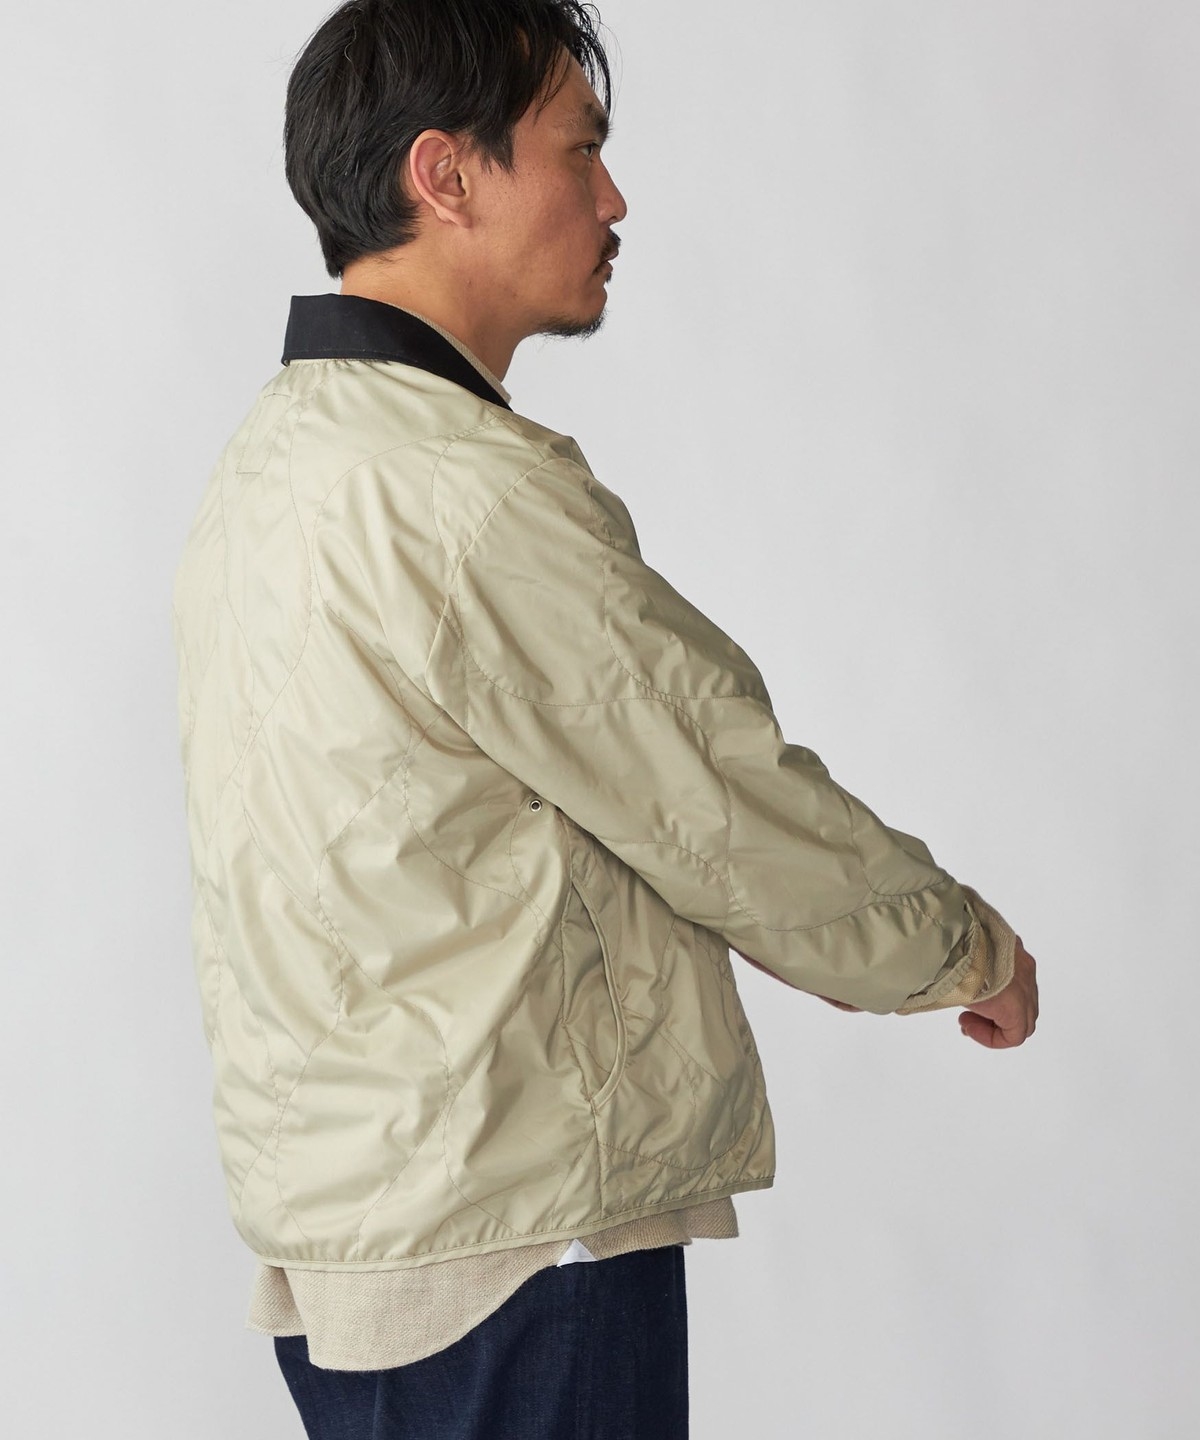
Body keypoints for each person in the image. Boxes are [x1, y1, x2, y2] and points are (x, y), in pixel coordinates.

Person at [170, 1, 1039, 1436]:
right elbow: (709, 790)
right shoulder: (457, 495)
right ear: (447, 174)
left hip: (354, 1246)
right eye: (581, 150)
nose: (615, 197)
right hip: (516, 1246)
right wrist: (953, 949)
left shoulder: (269, 465)